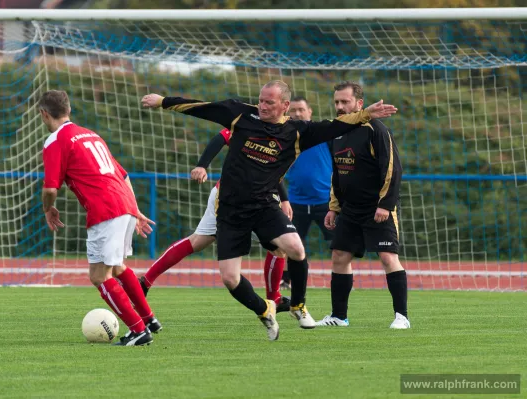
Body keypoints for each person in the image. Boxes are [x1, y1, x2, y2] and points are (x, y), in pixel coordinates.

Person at [141, 80, 397, 340]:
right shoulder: (241, 114)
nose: (262, 106)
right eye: (261, 100)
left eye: (269, 102)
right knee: (230, 278)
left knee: (295, 248)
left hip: (264, 205)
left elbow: (334, 126)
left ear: (285, 105)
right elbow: (204, 107)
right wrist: (164, 102)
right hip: (230, 209)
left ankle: (297, 304)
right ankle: (264, 309)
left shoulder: (297, 132)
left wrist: (366, 114)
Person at [40, 90, 161, 346]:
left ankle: (139, 331)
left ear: (43, 113)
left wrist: (48, 208)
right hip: (125, 204)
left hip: (105, 209)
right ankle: (149, 319)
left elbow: (50, 189)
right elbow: (124, 175)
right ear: (69, 110)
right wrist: (135, 209)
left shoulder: (55, 140)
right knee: (117, 267)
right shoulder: (91, 135)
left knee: (98, 275)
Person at [139, 127, 292, 312]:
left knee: (278, 246)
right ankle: (144, 282)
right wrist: (202, 164)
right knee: (201, 242)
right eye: (263, 101)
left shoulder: (285, 133)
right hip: (230, 197)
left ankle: (145, 282)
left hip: (257, 197)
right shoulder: (250, 123)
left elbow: (275, 170)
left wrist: (284, 199)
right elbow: (220, 138)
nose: (264, 106)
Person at [315, 81, 410, 329]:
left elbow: (393, 169)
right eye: (336, 102)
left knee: (388, 258)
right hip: (350, 210)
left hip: (377, 208)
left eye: (345, 102)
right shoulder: (336, 132)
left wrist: (385, 205)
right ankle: (339, 316)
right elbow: (338, 173)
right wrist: (334, 207)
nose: (339, 106)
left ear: (359, 104)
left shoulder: (376, 129)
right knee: (339, 256)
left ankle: (402, 317)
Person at [280, 97, 334, 290]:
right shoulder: (284, 137)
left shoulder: (323, 135)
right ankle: (286, 279)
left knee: (339, 244)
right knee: (288, 243)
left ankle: (342, 278)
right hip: (295, 202)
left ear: (310, 111)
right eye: (293, 109)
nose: (297, 113)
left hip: (325, 202)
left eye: (301, 109)